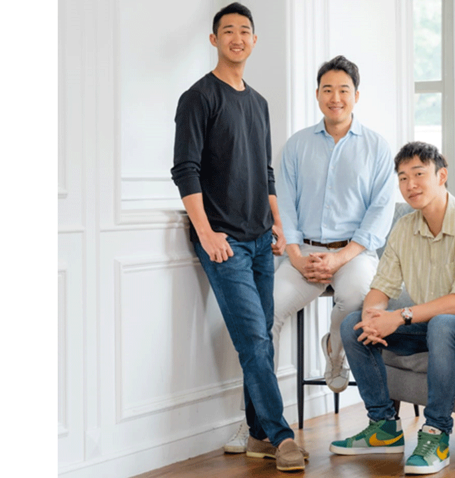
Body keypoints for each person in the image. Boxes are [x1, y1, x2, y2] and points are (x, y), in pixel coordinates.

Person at [223, 55, 395, 453]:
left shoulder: (376, 147)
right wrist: (298, 256)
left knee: (355, 296)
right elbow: (284, 205)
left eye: (343, 90)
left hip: (354, 254)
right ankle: (256, 423)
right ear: (317, 94)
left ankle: (335, 352)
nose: (335, 98)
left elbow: (379, 213)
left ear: (356, 96)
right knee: (263, 318)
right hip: (302, 255)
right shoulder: (297, 145)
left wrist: (339, 258)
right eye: (327, 90)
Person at [170, 2, 307, 472]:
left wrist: (277, 223)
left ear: (254, 40)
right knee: (253, 338)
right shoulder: (198, 97)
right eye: (227, 30)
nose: (237, 37)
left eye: (244, 30)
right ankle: (282, 437)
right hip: (223, 242)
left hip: (260, 240)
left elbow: (264, 170)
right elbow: (185, 170)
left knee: (261, 338)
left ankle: (257, 435)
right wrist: (206, 232)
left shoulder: (259, 103)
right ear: (214, 40)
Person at [328, 142, 455, 475]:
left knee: (443, 323)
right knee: (352, 325)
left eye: (418, 174)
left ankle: (436, 434)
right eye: (402, 177)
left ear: (441, 176)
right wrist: (372, 319)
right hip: (432, 323)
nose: (410, 184)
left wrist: (399, 317)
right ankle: (383, 427)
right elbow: (381, 288)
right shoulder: (403, 228)